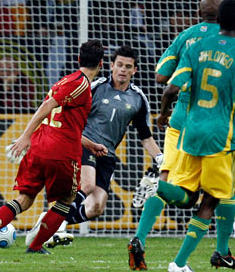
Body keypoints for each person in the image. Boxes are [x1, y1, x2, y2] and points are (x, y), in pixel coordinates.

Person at [151, 0, 235, 272]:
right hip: (220, 137)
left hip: (190, 131)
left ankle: (159, 187)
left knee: (187, 195)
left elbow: (169, 89)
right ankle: (179, 263)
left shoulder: (196, 47)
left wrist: (163, 114)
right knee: (213, 200)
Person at [129, 0, 235, 271]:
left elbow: (161, 77)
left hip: (179, 119)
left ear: (198, 12)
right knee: (221, 191)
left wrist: (165, 110)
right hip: (213, 123)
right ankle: (218, 251)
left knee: (177, 185)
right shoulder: (229, 41)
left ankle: (141, 236)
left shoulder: (186, 37)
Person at [0, 39, 105, 255]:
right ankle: (35, 246)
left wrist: (90, 144)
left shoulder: (64, 81)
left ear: (78, 59)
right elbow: (47, 106)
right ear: (101, 63)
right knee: (66, 200)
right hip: (61, 153)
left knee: (24, 200)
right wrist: (24, 136)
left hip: (39, 147)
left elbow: (62, 123)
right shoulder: (81, 84)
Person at [25, 45, 163, 249]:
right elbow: (66, 112)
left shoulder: (138, 99)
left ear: (135, 70)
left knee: (96, 206)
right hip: (84, 143)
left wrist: (160, 158)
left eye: (128, 66)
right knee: (87, 185)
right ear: (111, 66)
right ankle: (56, 224)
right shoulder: (94, 87)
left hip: (107, 154)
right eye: (119, 65)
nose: (122, 70)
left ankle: (49, 220)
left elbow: (145, 136)